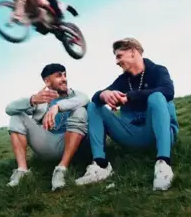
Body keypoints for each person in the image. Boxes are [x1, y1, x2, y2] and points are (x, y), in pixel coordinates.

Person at [74, 38, 180, 191]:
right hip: (132, 134)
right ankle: (101, 165)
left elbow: (168, 91)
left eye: (119, 56)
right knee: (93, 106)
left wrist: (130, 96)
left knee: (156, 97)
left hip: (161, 134)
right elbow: (96, 97)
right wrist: (104, 94)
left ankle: (163, 164)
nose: (117, 62)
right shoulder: (123, 80)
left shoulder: (157, 70)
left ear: (132, 52)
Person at [5, 63, 89, 191]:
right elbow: (9, 109)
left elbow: (84, 100)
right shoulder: (41, 100)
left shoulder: (78, 95)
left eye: (65, 75)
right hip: (48, 143)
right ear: (47, 81)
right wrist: (32, 100)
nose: (64, 79)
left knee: (80, 111)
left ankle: (62, 169)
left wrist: (57, 107)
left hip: (74, 142)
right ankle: (22, 171)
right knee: (16, 116)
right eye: (59, 75)